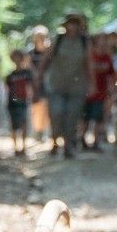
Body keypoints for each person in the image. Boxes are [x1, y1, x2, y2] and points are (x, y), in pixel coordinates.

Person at [40, 11, 91, 159]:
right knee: (56, 113)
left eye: (76, 24)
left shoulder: (84, 42)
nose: (73, 26)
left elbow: (89, 63)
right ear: (66, 25)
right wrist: (39, 75)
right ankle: (55, 141)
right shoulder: (59, 39)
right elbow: (46, 58)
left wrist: (91, 82)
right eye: (70, 23)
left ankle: (69, 147)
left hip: (77, 86)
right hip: (56, 85)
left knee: (72, 117)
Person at [84, 26, 117, 152]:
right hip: (87, 92)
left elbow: (112, 74)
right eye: (101, 39)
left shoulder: (108, 58)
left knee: (98, 117)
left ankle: (96, 142)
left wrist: (113, 89)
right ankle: (82, 139)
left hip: (101, 93)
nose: (103, 42)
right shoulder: (89, 55)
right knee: (85, 118)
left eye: (105, 40)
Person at [2, 44, 33, 155]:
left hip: (24, 101)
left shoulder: (27, 73)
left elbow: (31, 87)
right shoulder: (10, 75)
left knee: (24, 124)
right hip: (13, 103)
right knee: (15, 126)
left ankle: (24, 148)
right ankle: (16, 148)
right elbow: (6, 90)